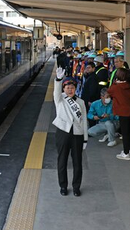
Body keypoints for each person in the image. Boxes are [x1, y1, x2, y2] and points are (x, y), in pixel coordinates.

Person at [53, 67, 88, 197]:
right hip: (63, 133)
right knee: (62, 161)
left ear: (75, 88)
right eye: (67, 87)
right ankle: (63, 186)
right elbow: (56, 91)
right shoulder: (60, 99)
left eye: (72, 87)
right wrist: (58, 79)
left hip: (77, 135)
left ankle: (76, 187)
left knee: (77, 162)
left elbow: (84, 120)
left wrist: (85, 138)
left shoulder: (81, 102)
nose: (70, 90)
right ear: (63, 89)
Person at [107, 68, 130, 160]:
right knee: (129, 131)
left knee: (125, 133)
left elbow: (109, 91)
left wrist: (114, 82)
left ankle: (126, 153)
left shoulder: (116, 87)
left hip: (123, 112)